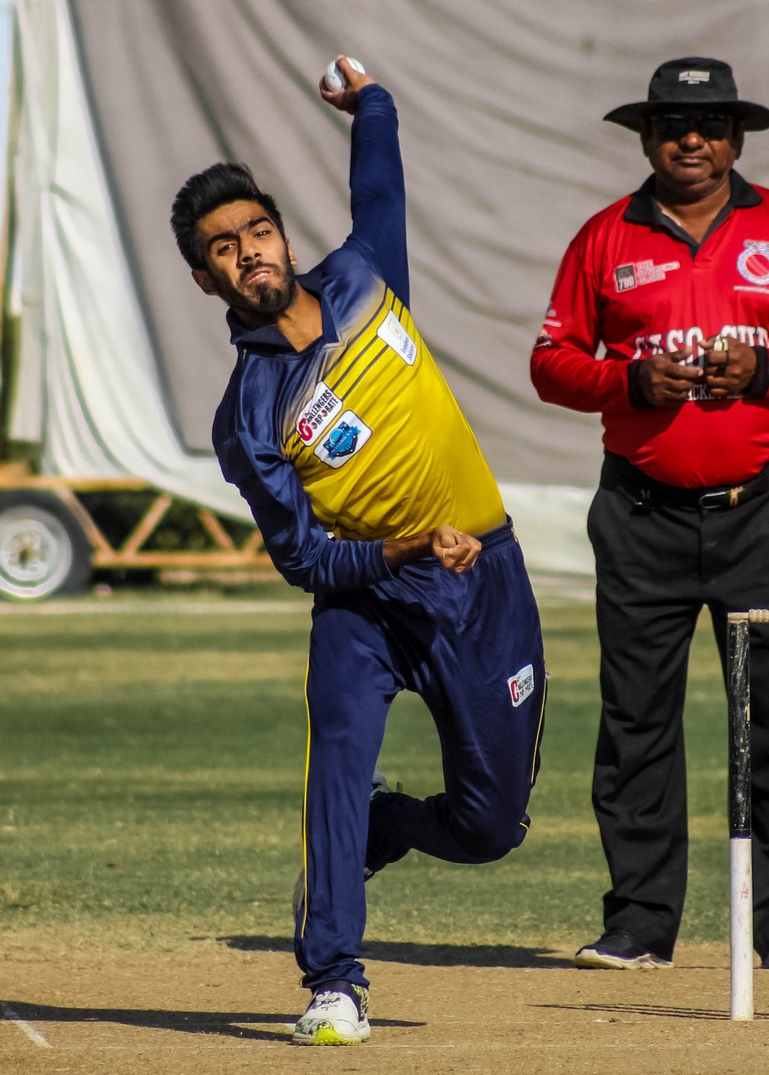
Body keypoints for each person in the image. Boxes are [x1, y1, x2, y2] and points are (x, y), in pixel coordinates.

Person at [171, 58, 548, 1045]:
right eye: (223, 249)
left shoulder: (365, 275)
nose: (247, 253)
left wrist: (370, 102)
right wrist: (400, 548)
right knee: (335, 773)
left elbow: (380, 185)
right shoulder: (247, 417)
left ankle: (392, 827)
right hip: (366, 608)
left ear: (281, 236)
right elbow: (304, 560)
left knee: (491, 827)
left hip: (484, 584)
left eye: (256, 231)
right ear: (205, 278)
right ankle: (333, 979)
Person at [530, 56, 769, 971]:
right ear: (645, 137)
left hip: (762, 512)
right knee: (637, 722)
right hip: (640, 514)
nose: (692, 140)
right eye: (674, 126)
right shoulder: (604, 237)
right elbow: (552, 362)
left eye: (712, 125)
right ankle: (641, 925)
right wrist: (628, 381)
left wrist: (767, 369)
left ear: (737, 140)